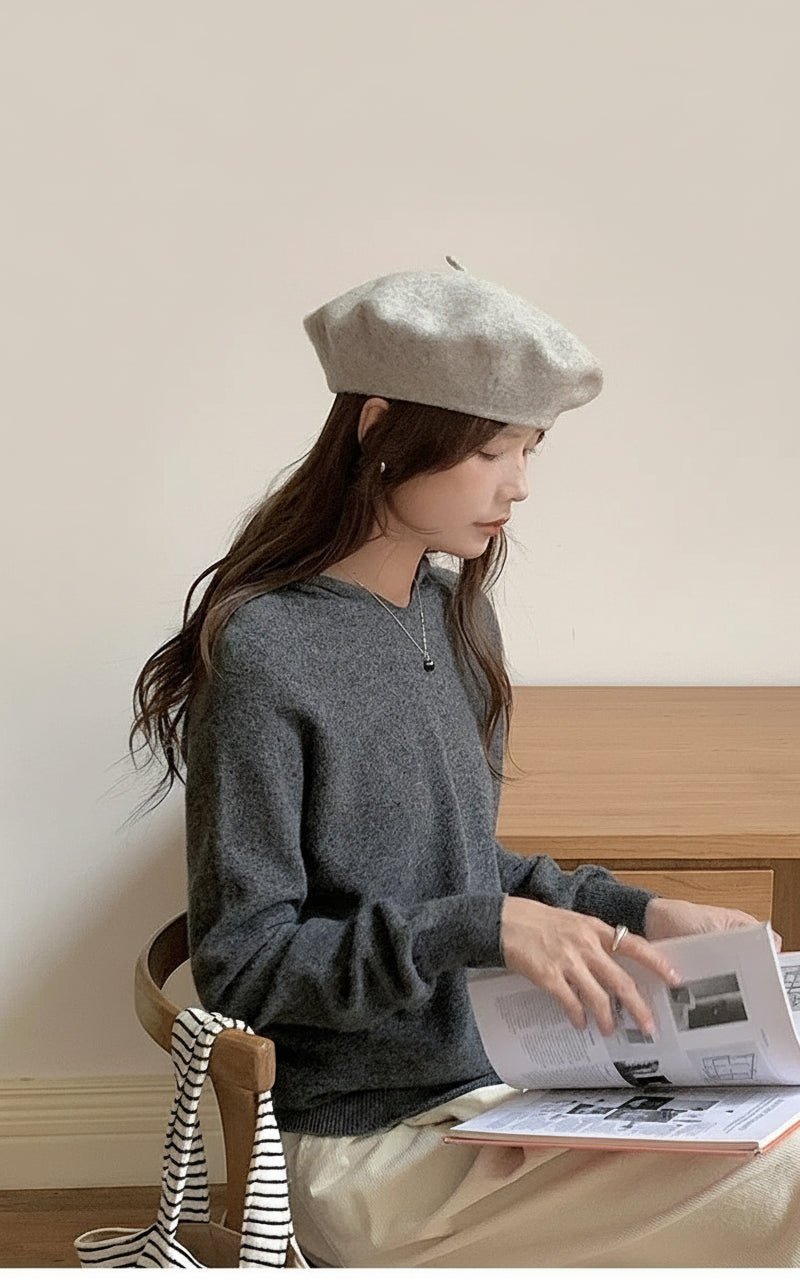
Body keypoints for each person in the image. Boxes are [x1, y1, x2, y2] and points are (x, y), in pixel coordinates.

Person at [130, 257, 800, 1267]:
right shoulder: (267, 650)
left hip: (492, 1087)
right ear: (379, 429)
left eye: (528, 449)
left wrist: (638, 909)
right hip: (372, 1146)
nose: (519, 485)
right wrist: (473, 925)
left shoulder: (453, 614)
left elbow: (455, 865)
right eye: (493, 450)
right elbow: (246, 961)